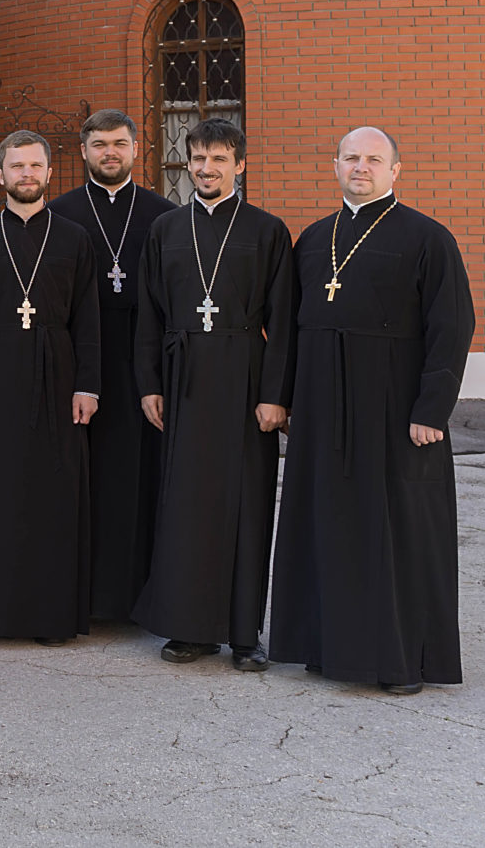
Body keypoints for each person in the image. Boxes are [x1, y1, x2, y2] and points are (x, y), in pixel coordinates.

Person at [269, 127, 475, 695]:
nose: (361, 167)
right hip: (319, 411)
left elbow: (451, 328)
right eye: (351, 158)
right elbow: (287, 328)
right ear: (335, 165)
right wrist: (282, 399)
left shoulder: (429, 238)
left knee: (394, 531)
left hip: (395, 411)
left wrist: (432, 408)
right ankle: (325, 646)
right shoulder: (312, 240)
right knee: (327, 524)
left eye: (374, 159)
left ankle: (398, 660)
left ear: (395, 170)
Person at [128, 118, 295, 670]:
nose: (206, 168)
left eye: (219, 159)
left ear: (239, 164)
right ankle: (190, 629)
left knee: (246, 506)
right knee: (185, 506)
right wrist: (149, 383)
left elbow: (284, 323)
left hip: (244, 379)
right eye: (198, 158)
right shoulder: (166, 229)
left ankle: (245, 634)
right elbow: (148, 314)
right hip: (182, 379)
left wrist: (275, 395)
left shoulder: (267, 230)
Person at [0, 130, 101, 644]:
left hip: (57, 375)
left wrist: (89, 386)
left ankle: (49, 617)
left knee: (52, 494)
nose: (27, 174)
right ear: (1, 175)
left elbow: (88, 322)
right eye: (17, 167)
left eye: (36, 165)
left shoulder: (75, 238)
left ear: (50, 173)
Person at [48, 109, 173, 622]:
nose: (109, 153)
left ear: (136, 149)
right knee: (84, 478)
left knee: (139, 481)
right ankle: (82, 598)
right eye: (99, 144)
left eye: (119, 144)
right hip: (76, 364)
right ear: (83, 151)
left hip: (142, 362)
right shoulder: (59, 214)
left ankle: (136, 600)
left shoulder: (164, 215)